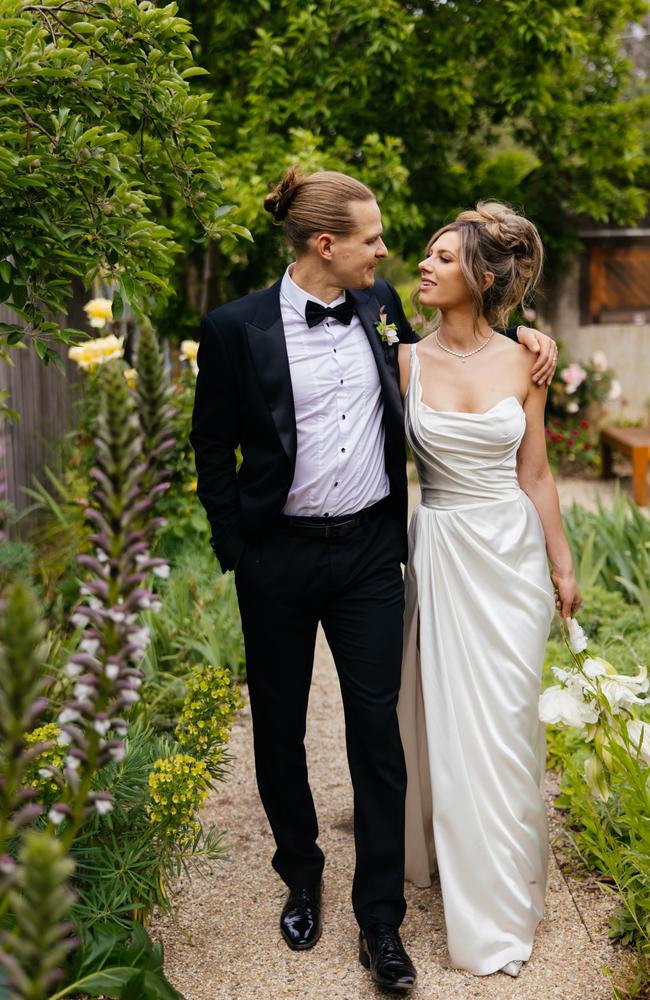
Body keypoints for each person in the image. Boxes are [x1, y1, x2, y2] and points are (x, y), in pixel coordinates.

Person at [190, 169, 558, 992]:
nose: (386, 251)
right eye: (373, 238)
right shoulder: (233, 329)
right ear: (328, 244)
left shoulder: (381, 307)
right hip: (275, 558)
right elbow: (211, 447)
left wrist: (533, 339)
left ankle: (381, 920)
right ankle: (300, 872)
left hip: (368, 557)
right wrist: (235, 547)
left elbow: (470, 347)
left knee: (377, 734)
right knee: (279, 728)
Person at [396, 201, 581, 979]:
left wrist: (561, 565)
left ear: (480, 274)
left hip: (508, 558)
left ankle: (510, 890)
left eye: (441, 257)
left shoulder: (525, 361)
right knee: (450, 725)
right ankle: (466, 893)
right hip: (440, 552)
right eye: (426, 256)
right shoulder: (400, 358)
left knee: (507, 729)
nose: (424, 267)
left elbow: (533, 473)